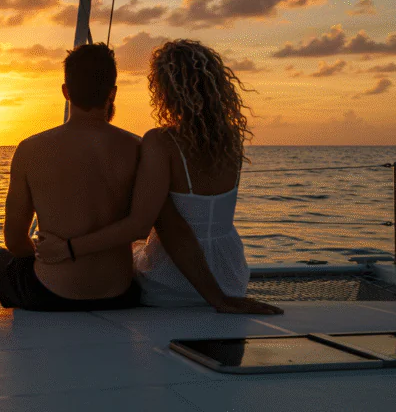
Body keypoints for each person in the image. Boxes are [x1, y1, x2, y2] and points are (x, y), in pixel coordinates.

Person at [0, 42, 279, 314]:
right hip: (120, 295)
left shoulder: (30, 149)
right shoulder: (139, 148)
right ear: (113, 92)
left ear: (66, 92)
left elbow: (15, 239)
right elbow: (155, 224)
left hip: (51, 295)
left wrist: (51, 254)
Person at [36, 40, 280, 313]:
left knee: (124, 263)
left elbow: (147, 227)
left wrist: (67, 249)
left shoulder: (161, 143)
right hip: (230, 278)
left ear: (165, 91)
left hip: (174, 284)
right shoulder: (231, 141)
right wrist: (221, 296)